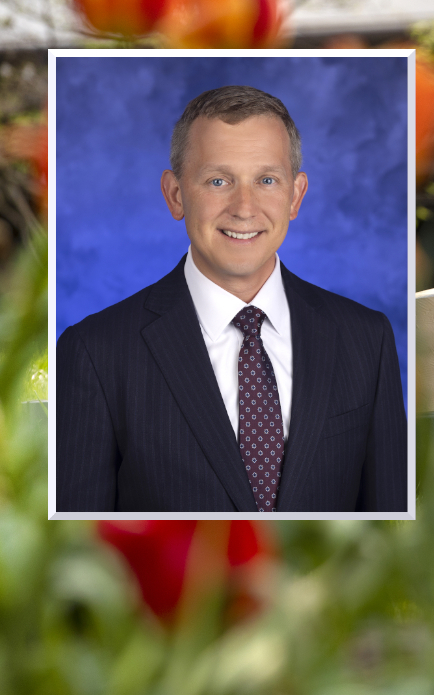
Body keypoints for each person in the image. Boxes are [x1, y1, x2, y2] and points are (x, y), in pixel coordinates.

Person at [57, 85, 406, 512]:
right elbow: (79, 554)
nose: (244, 207)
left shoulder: (366, 340)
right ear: (176, 194)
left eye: (266, 180)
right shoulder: (95, 352)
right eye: (218, 180)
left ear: (295, 195)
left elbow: (391, 534)